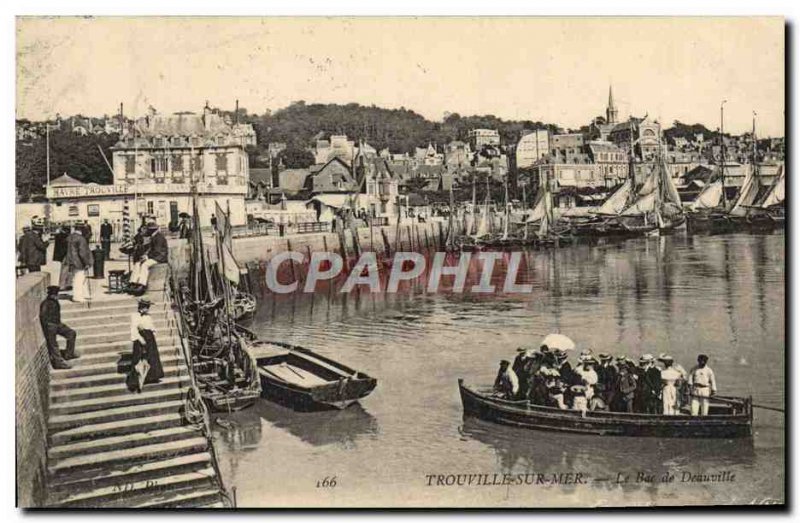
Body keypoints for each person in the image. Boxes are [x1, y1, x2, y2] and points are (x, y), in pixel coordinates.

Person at [127, 298, 165, 393]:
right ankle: (135, 381)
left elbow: (151, 326)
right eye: (146, 307)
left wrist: (153, 332)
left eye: (148, 308)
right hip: (141, 338)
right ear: (142, 307)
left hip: (150, 338)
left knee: (152, 357)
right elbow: (133, 329)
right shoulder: (135, 316)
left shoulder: (148, 317)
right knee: (139, 358)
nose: (147, 310)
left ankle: (152, 377)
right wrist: (140, 339)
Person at [39, 286, 78, 369]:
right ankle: (59, 363)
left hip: (57, 324)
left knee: (71, 333)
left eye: (56, 294)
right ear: (50, 295)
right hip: (50, 326)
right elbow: (43, 316)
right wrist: (49, 326)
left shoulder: (55, 301)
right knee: (53, 345)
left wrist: (58, 324)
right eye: (54, 295)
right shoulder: (46, 303)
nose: (56, 296)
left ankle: (69, 354)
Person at [128, 222, 168, 294]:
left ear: (151, 230)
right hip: (155, 256)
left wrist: (147, 256)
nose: (147, 231)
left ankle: (142, 284)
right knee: (138, 263)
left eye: (148, 230)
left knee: (145, 264)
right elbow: (150, 248)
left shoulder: (159, 237)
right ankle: (133, 282)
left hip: (160, 258)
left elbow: (157, 251)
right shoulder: (154, 236)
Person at [64, 224, 92, 303]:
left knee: (76, 278)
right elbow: (82, 253)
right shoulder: (81, 239)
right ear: (81, 230)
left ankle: (83, 294)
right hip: (79, 262)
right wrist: (87, 262)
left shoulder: (69, 237)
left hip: (71, 261)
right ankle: (78, 296)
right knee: (79, 279)